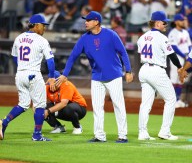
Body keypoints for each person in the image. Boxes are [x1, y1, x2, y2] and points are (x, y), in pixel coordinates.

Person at [54, 11, 133, 143]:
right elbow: (73, 56)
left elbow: (123, 52)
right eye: (86, 20)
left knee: (118, 105)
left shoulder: (111, 34)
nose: (85, 22)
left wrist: (128, 70)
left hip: (114, 75)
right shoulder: (84, 38)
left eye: (88, 20)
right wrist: (65, 74)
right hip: (97, 76)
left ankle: (123, 135)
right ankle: (99, 135)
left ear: (96, 22)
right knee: (97, 107)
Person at [0, 14, 55, 141]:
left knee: (23, 104)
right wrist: (51, 76)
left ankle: (4, 122)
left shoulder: (18, 38)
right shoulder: (41, 40)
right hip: (33, 74)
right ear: (35, 25)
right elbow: (50, 61)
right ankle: (37, 135)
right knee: (40, 105)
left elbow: (14, 56)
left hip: (20, 74)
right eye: (43, 25)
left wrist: (22, 67)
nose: (44, 28)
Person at [137, 11, 182, 141]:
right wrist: (179, 67)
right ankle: (165, 132)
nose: (166, 24)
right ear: (157, 23)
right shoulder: (162, 38)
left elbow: (142, 52)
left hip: (144, 69)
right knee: (171, 99)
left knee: (145, 104)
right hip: (156, 70)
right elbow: (172, 55)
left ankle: (142, 133)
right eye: (164, 22)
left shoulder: (142, 37)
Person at [44, 70, 87, 135]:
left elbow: (64, 103)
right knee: (41, 108)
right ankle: (58, 127)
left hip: (79, 109)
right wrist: (38, 111)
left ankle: (77, 127)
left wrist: (48, 111)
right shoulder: (47, 87)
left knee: (68, 108)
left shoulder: (67, 85)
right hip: (63, 108)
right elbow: (37, 102)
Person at [168, 13, 191, 108]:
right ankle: (172, 101)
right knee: (174, 79)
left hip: (185, 58)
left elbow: (190, 45)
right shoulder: (172, 32)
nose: (183, 21)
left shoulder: (185, 32)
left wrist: (189, 55)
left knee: (181, 79)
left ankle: (177, 100)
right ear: (176, 22)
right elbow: (173, 47)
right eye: (181, 20)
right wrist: (184, 56)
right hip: (176, 58)